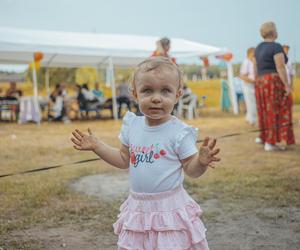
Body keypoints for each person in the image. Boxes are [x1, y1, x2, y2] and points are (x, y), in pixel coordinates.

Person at [71, 56, 220, 249]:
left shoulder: (179, 133)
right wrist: (98, 146)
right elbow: (124, 159)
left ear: (177, 94)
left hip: (169, 210)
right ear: (135, 93)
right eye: (147, 90)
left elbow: (191, 170)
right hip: (138, 208)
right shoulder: (133, 125)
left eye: (166, 91)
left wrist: (200, 162)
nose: (156, 98)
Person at [254, 21, 295, 151]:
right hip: (272, 81)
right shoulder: (276, 47)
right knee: (276, 109)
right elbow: (280, 67)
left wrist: (258, 82)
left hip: (260, 81)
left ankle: (264, 137)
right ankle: (270, 142)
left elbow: (255, 67)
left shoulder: (258, 47)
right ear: (274, 32)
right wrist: (287, 86)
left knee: (264, 110)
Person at [240, 47, 257, 125]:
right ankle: (252, 119)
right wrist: (253, 81)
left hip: (254, 85)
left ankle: (250, 118)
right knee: (250, 103)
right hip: (248, 85)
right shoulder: (246, 62)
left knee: (253, 103)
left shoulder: (253, 61)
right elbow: (242, 76)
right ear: (250, 53)